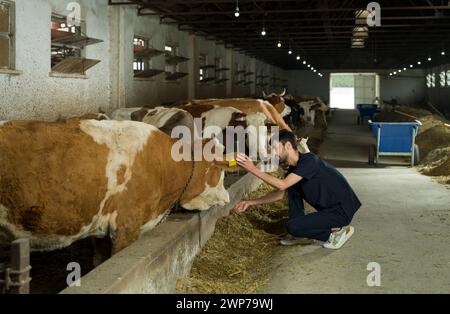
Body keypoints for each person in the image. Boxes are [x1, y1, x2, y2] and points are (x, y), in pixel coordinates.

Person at [234, 130, 361, 250]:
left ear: (288, 146)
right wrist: (250, 202)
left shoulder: (309, 161)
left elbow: (282, 185)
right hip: (329, 210)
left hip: (341, 211)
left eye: (275, 148)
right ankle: (301, 234)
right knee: (293, 191)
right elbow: (280, 194)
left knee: (292, 226)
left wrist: (253, 169)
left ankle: (334, 235)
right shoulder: (294, 171)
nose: (273, 153)